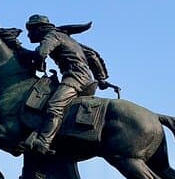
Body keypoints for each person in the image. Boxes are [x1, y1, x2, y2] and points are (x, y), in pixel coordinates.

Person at [21, 14, 115, 155]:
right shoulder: (66, 38)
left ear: (40, 28)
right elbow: (92, 55)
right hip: (86, 79)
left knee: (54, 105)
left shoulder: (52, 36)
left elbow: (41, 53)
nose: (28, 35)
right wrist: (101, 79)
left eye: (30, 30)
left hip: (75, 77)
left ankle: (44, 142)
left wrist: (39, 66)